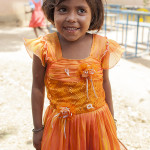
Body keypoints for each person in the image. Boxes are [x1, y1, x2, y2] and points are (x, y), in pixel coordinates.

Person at [24, 0, 127, 149]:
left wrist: (111, 120)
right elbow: (37, 87)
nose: (71, 18)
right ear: (52, 11)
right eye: (63, 9)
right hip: (61, 128)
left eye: (81, 11)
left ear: (93, 14)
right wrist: (37, 129)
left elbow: (105, 83)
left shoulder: (102, 46)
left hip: (96, 124)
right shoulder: (45, 48)